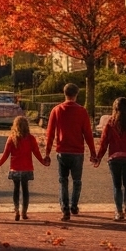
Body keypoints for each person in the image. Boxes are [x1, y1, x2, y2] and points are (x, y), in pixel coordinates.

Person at [44, 83, 97, 221]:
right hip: (77, 151)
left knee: (63, 181)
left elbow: (50, 134)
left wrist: (47, 152)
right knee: (77, 181)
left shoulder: (57, 110)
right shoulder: (82, 111)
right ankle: (74, 205)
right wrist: (93, 152)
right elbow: (87, 133)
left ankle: (65, 209)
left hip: (62, 150)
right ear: (76, 94)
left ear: (64, 93)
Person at [94, 97, 126, 220]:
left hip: (114, 157)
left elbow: (104, 142)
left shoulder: (111, 122)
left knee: (117, 185)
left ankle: (118, 211)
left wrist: (99, 157)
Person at [0, 114, 48, 221]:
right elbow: (36, 153)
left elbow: (5, 155)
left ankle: (16, 210)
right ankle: (24, 212)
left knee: (16, 190)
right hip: (27, 169)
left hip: (15, 169)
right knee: (25, 190)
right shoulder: (31, 139)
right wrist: (44, 162)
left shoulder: (12, 139)